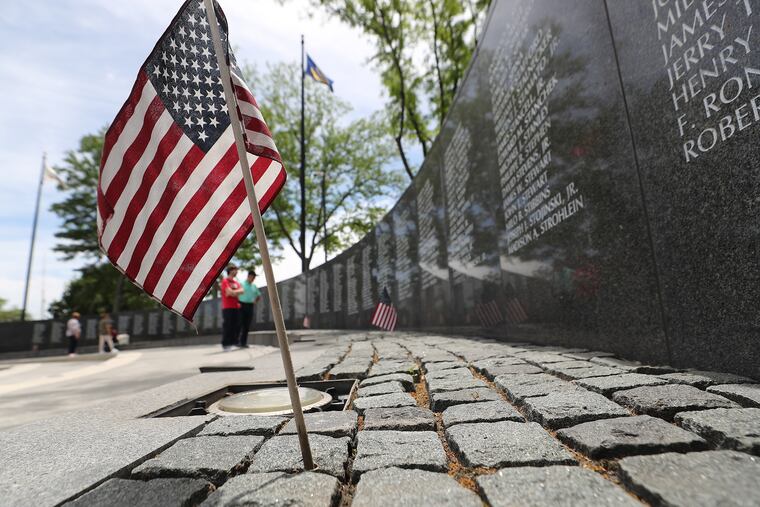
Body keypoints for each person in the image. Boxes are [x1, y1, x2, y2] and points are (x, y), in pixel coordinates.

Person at [220, 263, 244, 351]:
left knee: (237, 325)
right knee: (228, 326)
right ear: (230, 271)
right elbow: (228, 292)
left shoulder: (236, 282)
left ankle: (234, 342)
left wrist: (233, 292)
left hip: (236, 307)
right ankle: (225, 344)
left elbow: (242, 291)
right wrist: (234, 292)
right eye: (235, 270)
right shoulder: (225, 281)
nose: (237, 271)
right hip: (227, 307)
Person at [238, 270, 261, 348]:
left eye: (254, 277)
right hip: (241, 305)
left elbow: (258, 295)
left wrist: (255, 301)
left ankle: (243, 343)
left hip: (250, 306)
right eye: (253, 277)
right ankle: (237, 341)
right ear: (249, 276)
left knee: (247, 325)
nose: (254, 278)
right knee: (240, 323)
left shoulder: (254, 286)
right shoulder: (242, 284)